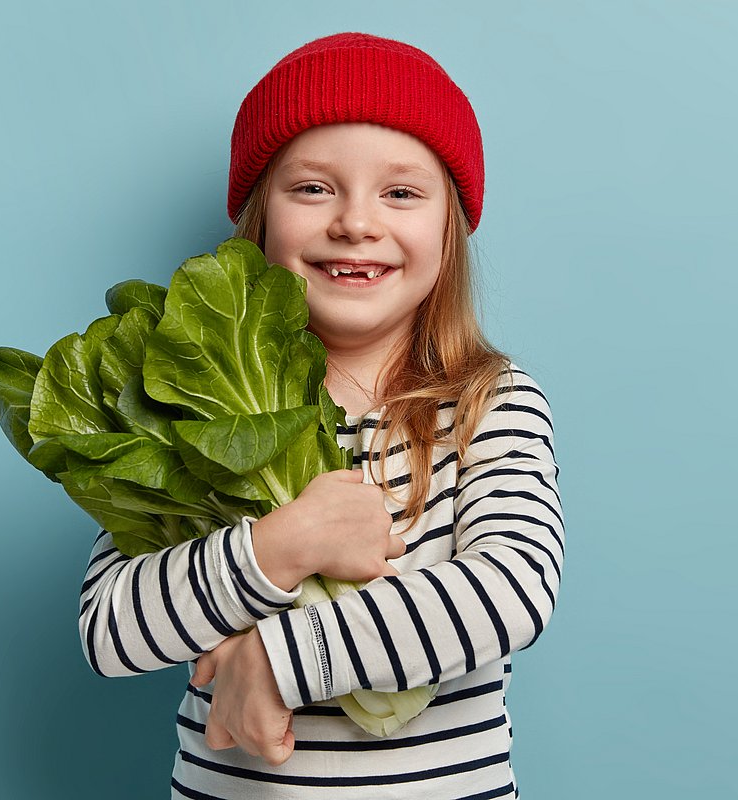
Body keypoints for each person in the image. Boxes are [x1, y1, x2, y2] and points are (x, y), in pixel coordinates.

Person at [79, 32, 564, 799]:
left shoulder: (486, 401)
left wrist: (280, 657)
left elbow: (511, 588)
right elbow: (109, 630)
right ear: (260, 219)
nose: (355, 223)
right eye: (312, 189)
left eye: (400, 193)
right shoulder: (190, 413)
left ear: (450, 227)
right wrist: (279, 547)